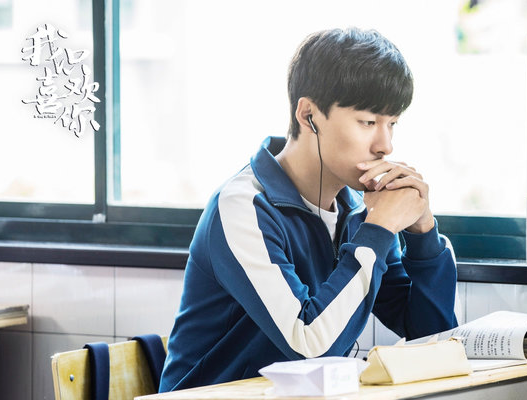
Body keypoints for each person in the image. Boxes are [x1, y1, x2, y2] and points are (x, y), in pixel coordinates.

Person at [159, 27, 458, 392]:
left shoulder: (358, 211)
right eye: (368, 122)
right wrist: (379, 230)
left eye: (392, 123)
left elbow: (432, 336)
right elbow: (309, 346)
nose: (386, 145)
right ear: (308, 115)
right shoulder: (243, 207)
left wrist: (423, 233)